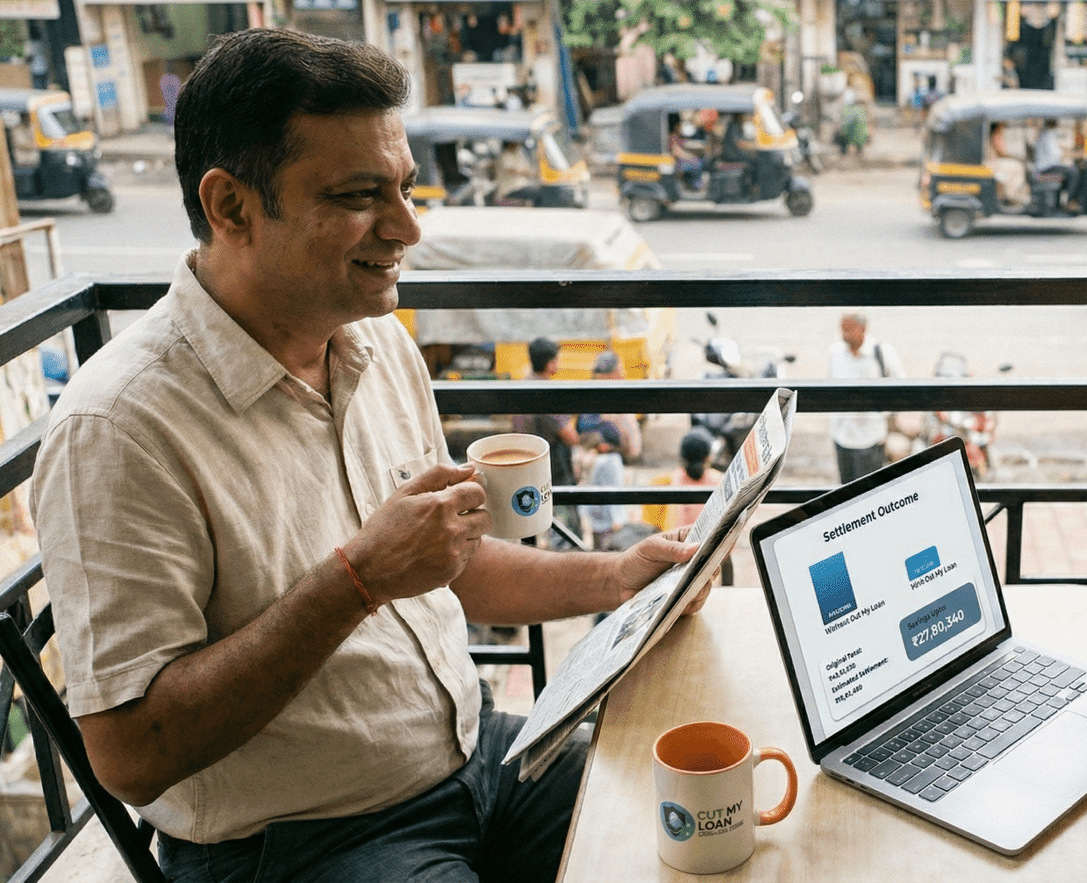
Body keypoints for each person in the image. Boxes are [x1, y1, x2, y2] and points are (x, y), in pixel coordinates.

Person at [28, 29, 700, 883]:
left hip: (477, 755)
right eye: (358, 196)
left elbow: (447, 564)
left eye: (407, 189)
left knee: (698, 837)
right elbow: (129, 753)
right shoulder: (118, 427)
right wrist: (356, 580)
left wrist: (620, 579)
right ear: (232, 207)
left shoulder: (376, 345)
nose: (408, 227)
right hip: (304, 842)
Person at [511, 337, 581, 542]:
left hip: (523, 461)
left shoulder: (521, 387)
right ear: (550, 363)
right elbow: (570, 436)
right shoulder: (547, 392)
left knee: (526, 514)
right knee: (563, 521)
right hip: (551, 467)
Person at [827, 311, 905, 483]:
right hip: (842, 435)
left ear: (862, 329)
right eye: (842, 330)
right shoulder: (835, 353)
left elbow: (900, 389)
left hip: (871, 436)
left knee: (869, 491)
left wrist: (881, 415)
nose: (844, 335)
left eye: (848, 329)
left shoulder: (882, 352)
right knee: (846, 491)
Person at [578, 420, 629, 551]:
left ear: (604, 445)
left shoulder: (605, 462)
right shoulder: (614, 459)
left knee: (604, 550)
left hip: (606, 519)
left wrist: (617, 518)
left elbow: (610, 488)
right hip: (602, 517)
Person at [989, 122, 1029, 208]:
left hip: (995, 161)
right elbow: (1001, 152)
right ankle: (1010, 195)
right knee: (1017, 167)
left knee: (1015, 166)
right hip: (993, 163)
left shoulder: (998, 135)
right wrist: (1015, 157)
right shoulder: (996, 135)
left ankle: (1009, 194)